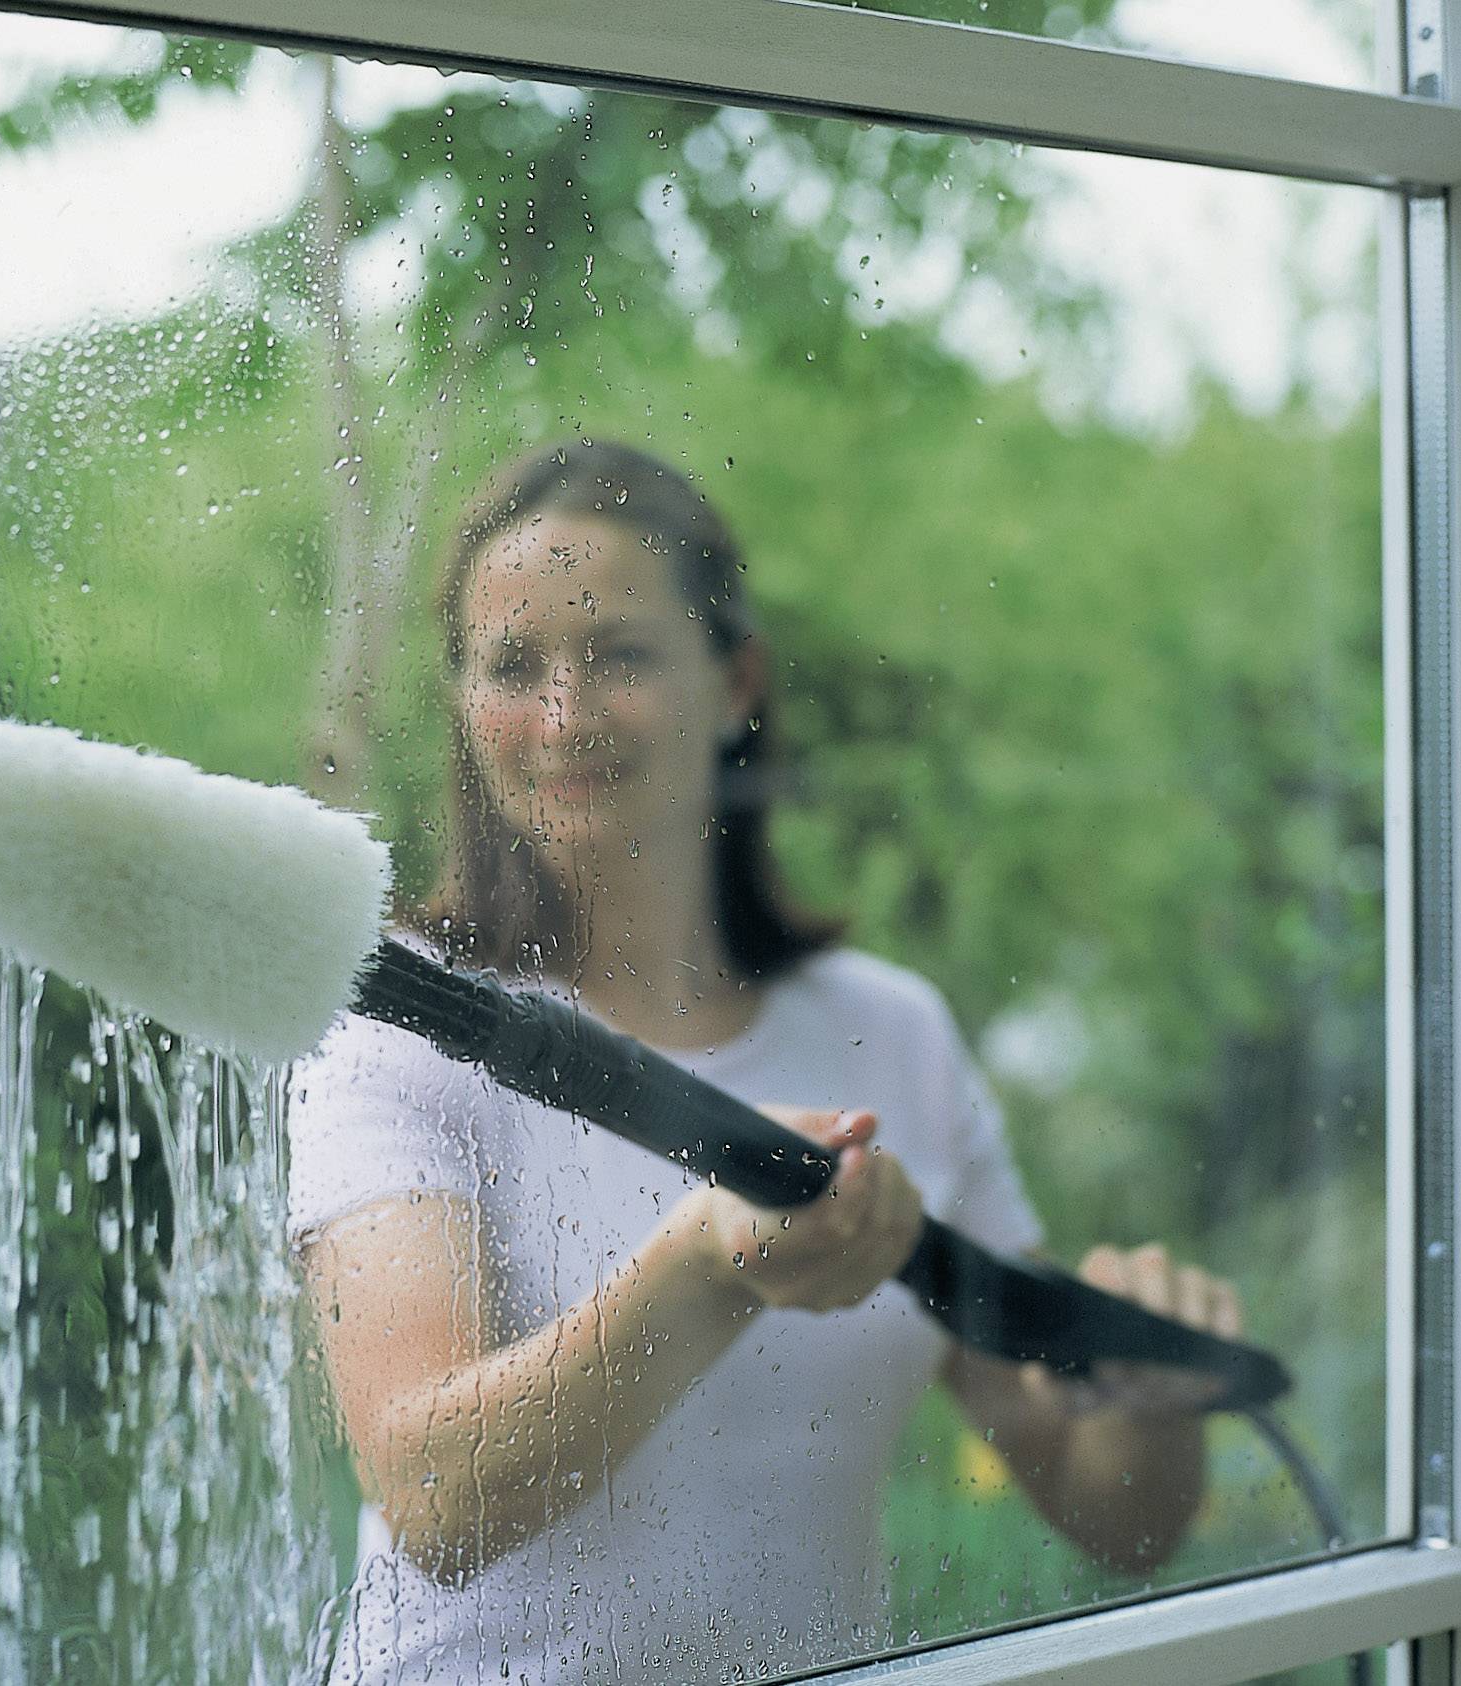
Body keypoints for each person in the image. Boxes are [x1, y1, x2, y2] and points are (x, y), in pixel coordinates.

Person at [286, 438, 1244, 1685]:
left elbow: (1111, 1515)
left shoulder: (893, 1032)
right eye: (513, 666)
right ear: (465, 708)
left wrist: (1147, 1409)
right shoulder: (398, 1044)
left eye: (619, 654)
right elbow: (431, 1499)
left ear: (735, 680)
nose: (563, 714)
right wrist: (704, 1270)